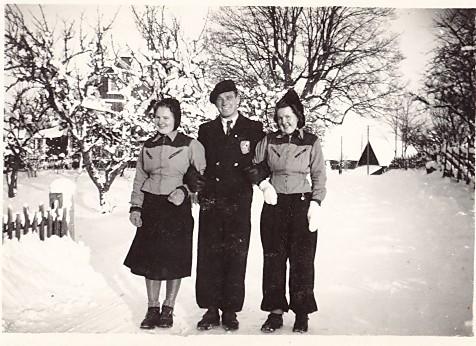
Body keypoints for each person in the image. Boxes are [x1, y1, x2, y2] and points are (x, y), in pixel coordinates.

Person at [124, 98, 206, 329]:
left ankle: (168, 308)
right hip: (152, 206)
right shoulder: (147, 146)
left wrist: (185, 191)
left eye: (166, 118)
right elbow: (140, 178)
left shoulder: (190, 145)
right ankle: (152, 308)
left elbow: (201, 177)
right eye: (157, 117)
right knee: (151, 259)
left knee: (173, 259)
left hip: (176, 208)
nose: (161, 122)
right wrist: (136, 206)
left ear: (176, 119)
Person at [251, 89, 327, 333]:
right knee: (273, 259)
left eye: (289, 116)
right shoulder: (268, 140)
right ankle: (275, 312)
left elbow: (319, 176)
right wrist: (264, 185)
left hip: (301, 204)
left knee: (302, 261)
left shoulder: (311, 141)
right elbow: (253, 166)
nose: (284, 121)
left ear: (298, 116)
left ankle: (302, 313)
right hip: (274, 205)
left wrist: (316, 203)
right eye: (280, 117)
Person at [195, 80, 265, 331]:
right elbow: (197, 164)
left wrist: (258, 176)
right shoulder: (206, 130)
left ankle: (230, 310)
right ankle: (211, 309)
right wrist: (196, 183)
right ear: (215, 103)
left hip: (238, 201)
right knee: (209, 254)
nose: (225, 103)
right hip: (212, 201)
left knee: (236, 255)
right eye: (220, 100)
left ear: (238, 99)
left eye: (229, 98)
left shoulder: (254, 129)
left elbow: (263, 161)